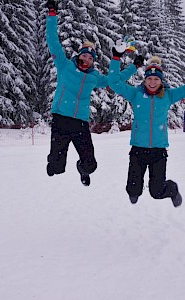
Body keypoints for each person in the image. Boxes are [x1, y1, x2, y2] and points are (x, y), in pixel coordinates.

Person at [45, 0, 143, 186]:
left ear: (93, 61)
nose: (87, 59)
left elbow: (116, 79)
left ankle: (82, 170)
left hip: (80, 123)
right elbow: (52, 40)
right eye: (84, 55)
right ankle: (54, 162)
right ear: (79, 55)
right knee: (56, 168)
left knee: (91, 165)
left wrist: (134, 67)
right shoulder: (65, 66)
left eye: (91, 58)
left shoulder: (94, 77)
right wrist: (52, 14)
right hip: (60, 120)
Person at [108, 43, 185, 207]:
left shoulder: (168, 96)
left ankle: (171, 189)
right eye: (149, 79)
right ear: (144, 80)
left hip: (158, 151)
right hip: (138, 149)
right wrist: (116, 58)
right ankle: (135, 191)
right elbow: (114, 82)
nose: (152, 82)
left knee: (157, 192)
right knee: (132, 190)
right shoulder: (135, 94)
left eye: (156, 79)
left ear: (161, 81)